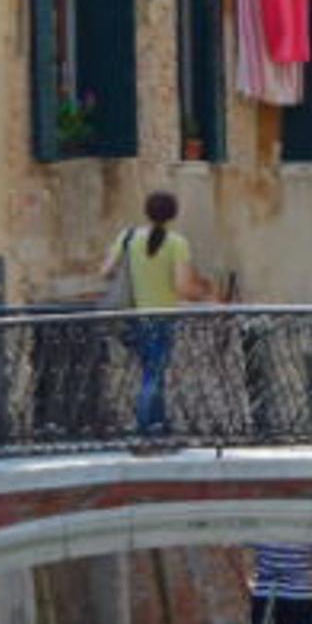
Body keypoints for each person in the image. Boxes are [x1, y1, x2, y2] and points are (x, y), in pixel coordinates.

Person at [111, 188, 210, 445]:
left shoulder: (128, 237)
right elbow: (182, 287)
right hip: (161, 318)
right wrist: (205, 295)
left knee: (151, 371)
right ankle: (148, 429)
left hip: (131, 318)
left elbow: (105, 270)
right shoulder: (176, 243)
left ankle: (158, 423)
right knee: (153, 374)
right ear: (173, 214)